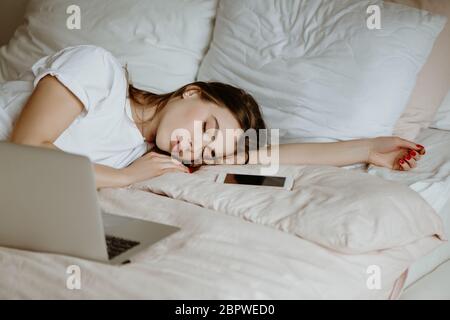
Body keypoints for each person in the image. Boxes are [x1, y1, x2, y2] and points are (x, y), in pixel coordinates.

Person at [6, 45, 426, 189]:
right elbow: (26, 151)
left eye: (208, 148)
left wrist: (369, 148)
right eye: (208, 127)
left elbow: (271, 154)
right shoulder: (99, 69)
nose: (197, 145)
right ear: (193, 91)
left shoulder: (145, 151)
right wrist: (126, 178)